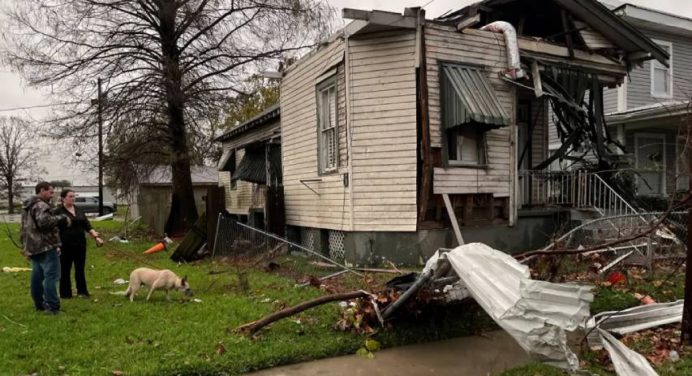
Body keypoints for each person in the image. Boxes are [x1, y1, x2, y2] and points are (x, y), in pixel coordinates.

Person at [20, 182, 71, 314]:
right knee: (51, 276)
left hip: (33, 247)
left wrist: (24, 246)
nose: (52, 194)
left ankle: (39, 304)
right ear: (42, 190)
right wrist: (62, 219)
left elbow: (24, 228)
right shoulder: (41, 205)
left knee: (37, 276)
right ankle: (53, 307)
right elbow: (44, 222)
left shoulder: (28, 205)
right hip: (46, 246)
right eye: (50, 192)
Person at [54, 189, 104, 298]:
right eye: (70, 196)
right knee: (65, 270)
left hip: (80, 244)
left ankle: (82, 292)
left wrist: (96, 237)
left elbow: (87, 225)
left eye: (74, 196)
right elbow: (54, 230)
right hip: (65, 245)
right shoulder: (58, 212)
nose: (73, 198)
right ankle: (65, 294)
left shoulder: (78, 210)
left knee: (80, 269)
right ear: (63, 198)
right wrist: (56, 245)